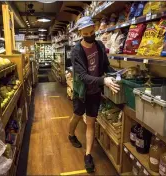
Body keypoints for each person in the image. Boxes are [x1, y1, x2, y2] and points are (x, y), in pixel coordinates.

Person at [68, 16, 120, 173]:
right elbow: (83, 76)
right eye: (86, 34)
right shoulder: (76, 51)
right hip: (81, 91)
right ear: (80, 33)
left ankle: (88, 155)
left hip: (95, 92)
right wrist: (104, 81)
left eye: (92, 32)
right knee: (77, 115)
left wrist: (117, 75)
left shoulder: (100, 46)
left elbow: (105, 66)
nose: (90, 35)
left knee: (91, 123)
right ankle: (70, 134)